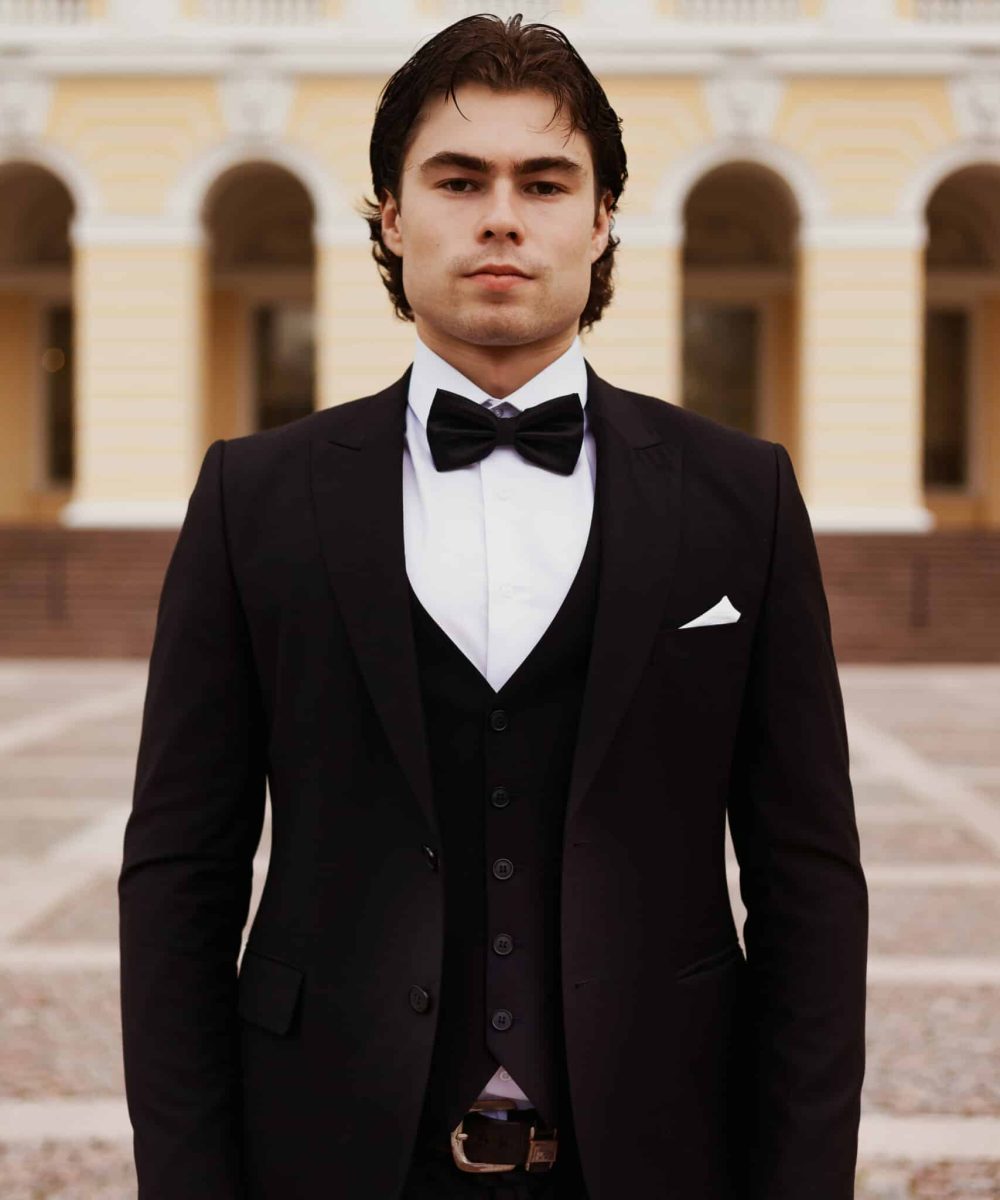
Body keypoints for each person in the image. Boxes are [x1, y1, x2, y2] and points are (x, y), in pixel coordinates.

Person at [118, 13, 868, 1200]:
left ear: (603, 218)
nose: (502, 217)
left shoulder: (743, 497)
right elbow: (178, 875)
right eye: (459, 180)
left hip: (659, 1154)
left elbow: (809, 884)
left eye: (545, 182)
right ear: (390, 215)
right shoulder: (251, 499)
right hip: (326, 1156)